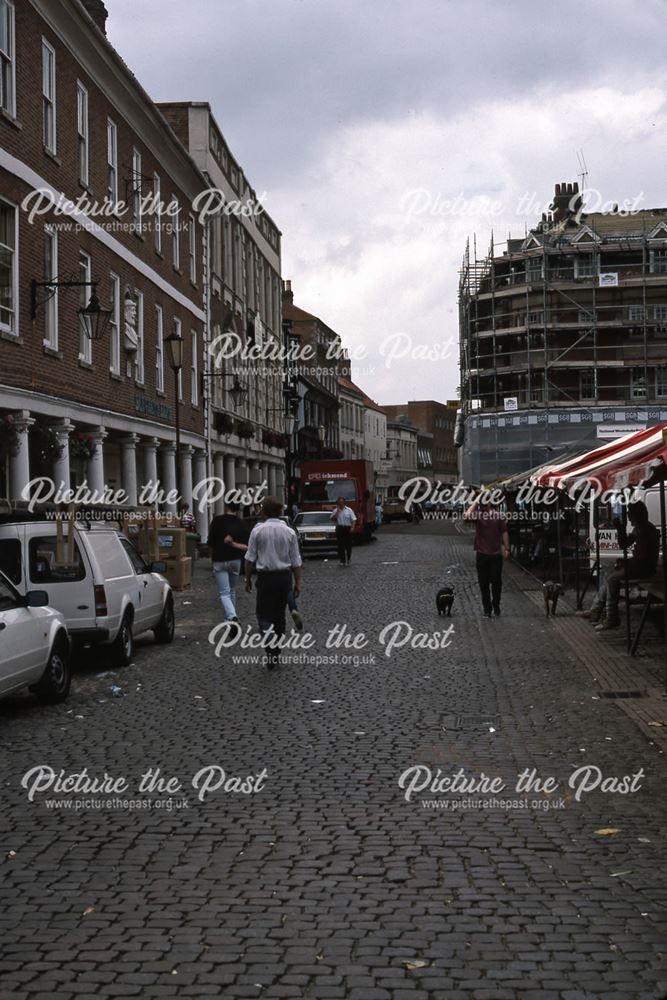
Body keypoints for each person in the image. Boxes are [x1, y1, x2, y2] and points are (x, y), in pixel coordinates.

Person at [244, 496, 302, 668]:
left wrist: (247, 579)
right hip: (284, 577)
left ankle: (269, 643)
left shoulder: (257, 531)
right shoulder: (289, 532)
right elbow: (296, 561)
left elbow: (250, 559)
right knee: (279, 616)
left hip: (266, 578)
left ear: (264, 511)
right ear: (280, 512)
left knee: (263, 614)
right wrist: (298, 582)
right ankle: (276, 650)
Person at [587, 501, 659, 631]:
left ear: (637, 514)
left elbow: (642, 558)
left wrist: (626, 562)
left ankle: (612, 617)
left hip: (644, 569)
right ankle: (595, 610)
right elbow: (624, 544)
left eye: (630, 513)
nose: (629, 516)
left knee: (612, 579)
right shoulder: (640, 528)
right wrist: (620, 529)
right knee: (609, 573)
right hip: (641, 566)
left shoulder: (644, 530)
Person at [464, 492, 510, 618]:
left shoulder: (498, 515)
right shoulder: (478, 515)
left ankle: (495, 604)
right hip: (482, 554)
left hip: (495, 554)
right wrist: (476, 502)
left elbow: (504, 531)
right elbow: (466, 516)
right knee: (483, 583)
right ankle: (487, 609)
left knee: (496, 581)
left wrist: (507, 548)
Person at [207, 502, 249, 624]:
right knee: (231, 590)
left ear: (226, 506)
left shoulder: (217, 521)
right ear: (238, 509)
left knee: (224, 592)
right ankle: (229, 620)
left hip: (219, 559)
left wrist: (212, 558)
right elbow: (247, 547)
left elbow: (210, 543)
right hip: (235, 560)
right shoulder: (242, 524)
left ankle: (231, 616)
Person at [330, 496, 357, 565]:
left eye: (342, 502)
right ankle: (342, 560)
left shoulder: (349, 510)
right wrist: (337, 512)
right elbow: (332, 518)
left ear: (344, 502)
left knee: (348, 545)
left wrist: (352, 527)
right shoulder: (336, 510)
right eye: (339, 502)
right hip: (340, 528)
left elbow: (353, 519)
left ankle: (348, 558)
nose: (341, 503)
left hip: (347, 528)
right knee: (340, 545)